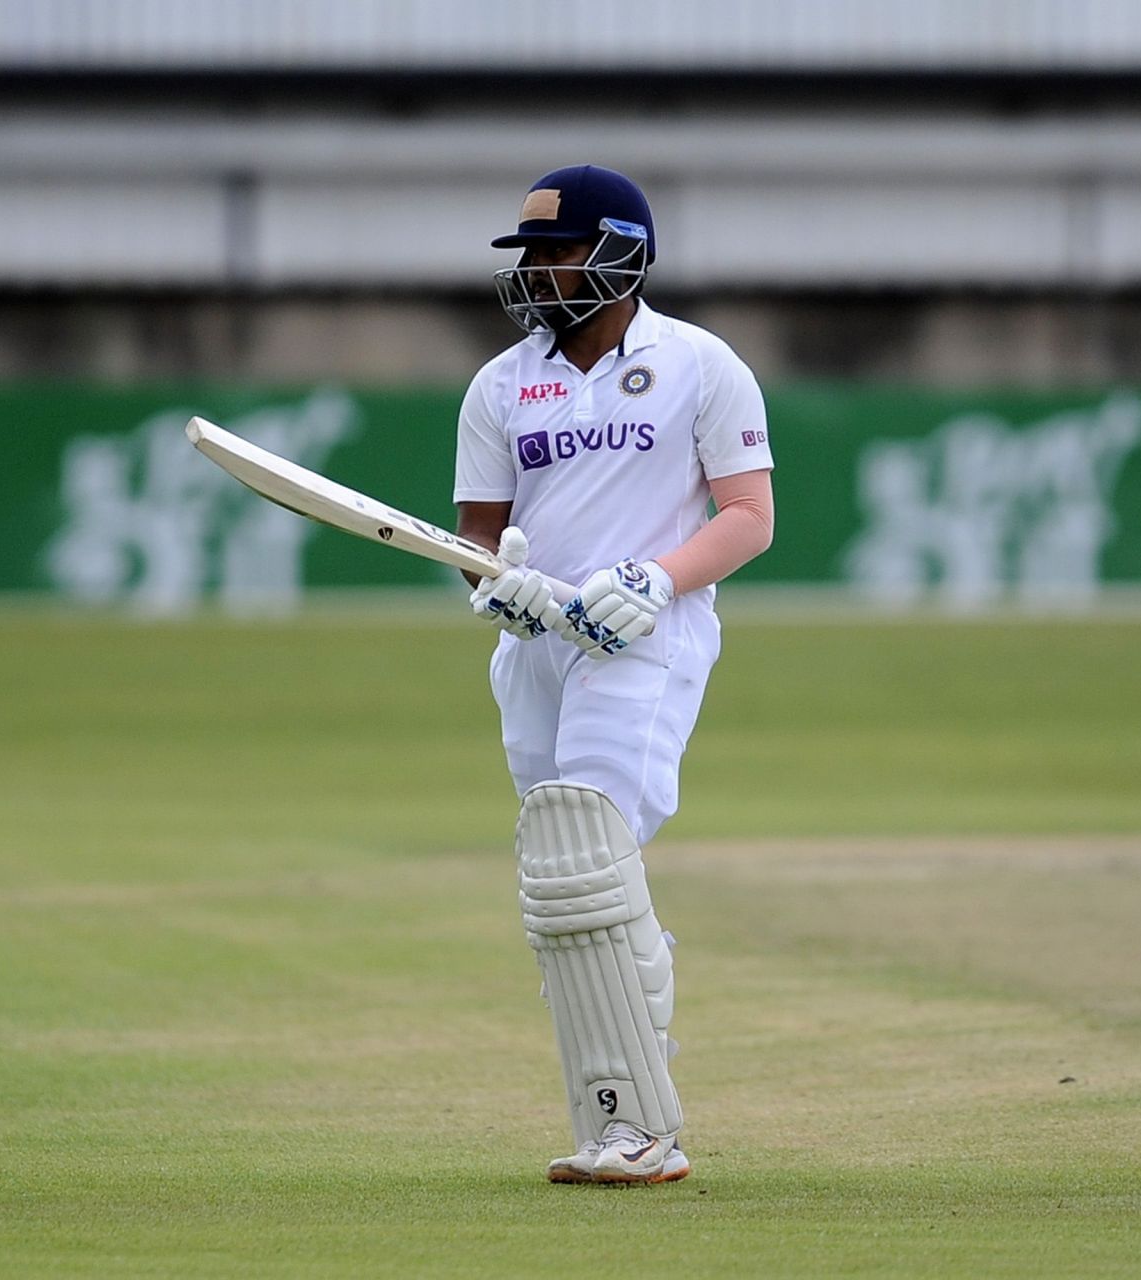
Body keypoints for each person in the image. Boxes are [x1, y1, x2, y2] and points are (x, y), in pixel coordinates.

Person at [453, 164, 775, 1185]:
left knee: (589, 844)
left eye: (563, 250)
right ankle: (612, 1119)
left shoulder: (699, 363)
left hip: (646, 635)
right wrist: (499, 584)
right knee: (564, 874)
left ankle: (642, 1129)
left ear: (625, 253)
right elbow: (477, 538)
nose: (544, 272)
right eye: (534, 256)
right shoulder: (500, 384)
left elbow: (750, 518)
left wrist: (654, 576)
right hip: (538, 647)